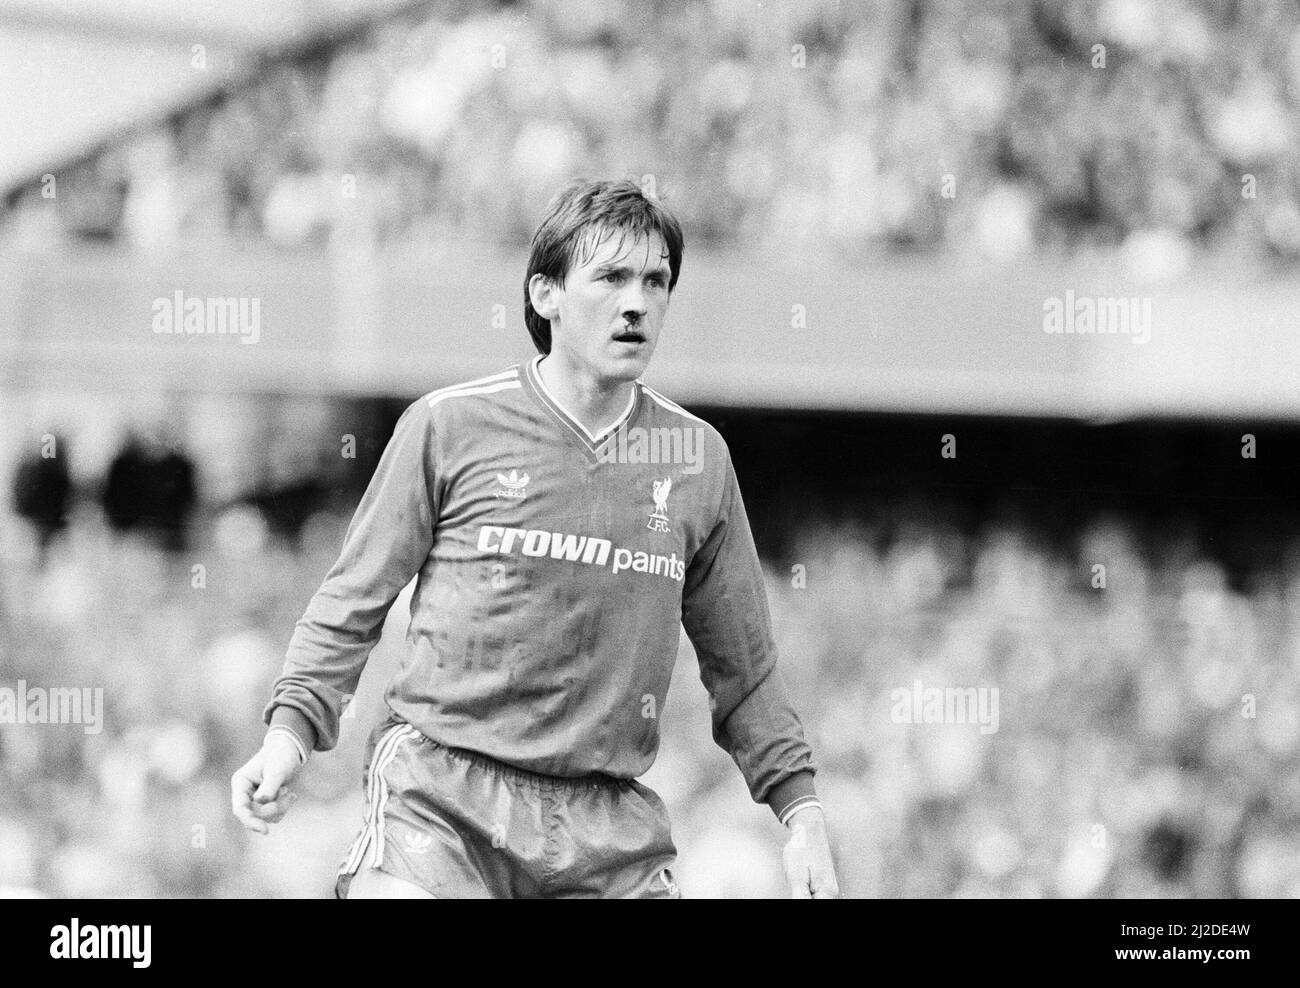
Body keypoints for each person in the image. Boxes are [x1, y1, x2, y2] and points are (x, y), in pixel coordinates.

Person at [231, 178, 838, 898]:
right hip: (443, 793)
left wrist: (801, 813)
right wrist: (288, 735)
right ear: (545, 295)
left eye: (656, 281)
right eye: (610, 277)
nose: (636, 302)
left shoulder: (696, 460)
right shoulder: (447, 427)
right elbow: (351, 601)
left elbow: (747, 668)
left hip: (605, 826)